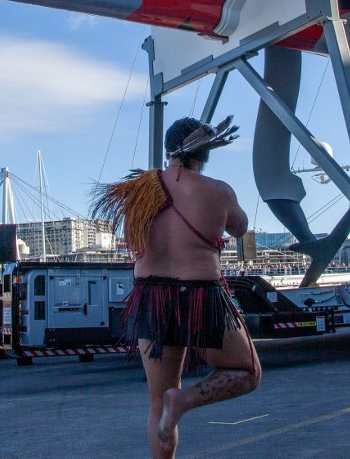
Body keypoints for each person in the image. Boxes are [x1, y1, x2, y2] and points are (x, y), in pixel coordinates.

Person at [92, 116, 261, 459]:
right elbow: (240, 227)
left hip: (150, 297)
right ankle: (184, 400)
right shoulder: (217, 191)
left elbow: (134, 239)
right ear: (204, 152)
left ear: (169, 149)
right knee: (248, 372)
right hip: (200, 295)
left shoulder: (138, 192)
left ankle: (173, 405)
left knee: (157, 402)